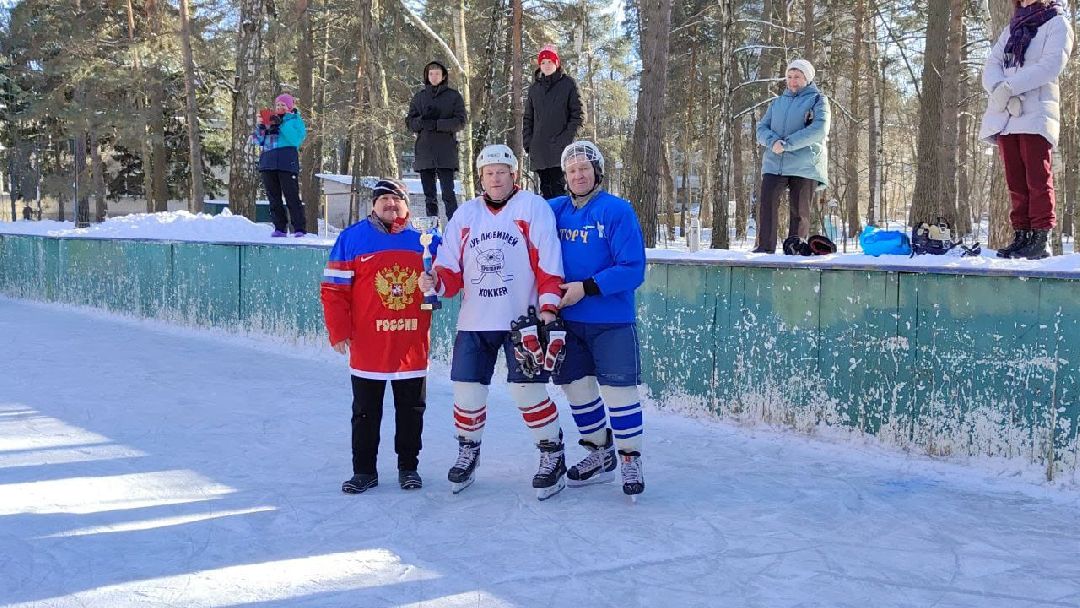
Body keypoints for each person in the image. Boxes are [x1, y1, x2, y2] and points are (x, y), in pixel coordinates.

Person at [418, 144, 568, 500]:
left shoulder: (532, 207)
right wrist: (434, 282)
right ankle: (468, 450)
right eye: (489, 173)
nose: (495, 178)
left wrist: (549, 309)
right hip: (475, 321)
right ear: (480, 178)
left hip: (522, 322)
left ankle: (552, 454)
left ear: (514, 175)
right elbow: (450, 269)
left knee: (526, 389)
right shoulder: (466, 215)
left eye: (502, 172)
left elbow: (549, 261)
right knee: (467, 390)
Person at [320, 179, 438, 494]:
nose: (390, 204)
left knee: (412, 410)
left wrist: (436, 283)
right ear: (373, 204)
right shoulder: (352, 239)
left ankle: (408, 467)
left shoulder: (426, 242)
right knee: (365, 412)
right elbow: (333, 290)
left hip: (410, 345)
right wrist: (339, 331)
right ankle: (364, 471)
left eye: (396, 199)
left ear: (406, 205)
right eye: (383, 198)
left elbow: (448, 279)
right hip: (368, 346)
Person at [548, 141, 647, 497]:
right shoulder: (555, 210)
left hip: (611, 320)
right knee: (578, 391)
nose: (578, 175)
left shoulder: (616, 211)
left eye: (584, 169)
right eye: (572, 170)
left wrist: (587, 288)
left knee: (619, 393)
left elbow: (633, 269)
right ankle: (599, 453)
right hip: (568, 323)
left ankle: (629, 457)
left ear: (597, 172)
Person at [980, 0, 1073, 260]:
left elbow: (1049, 66)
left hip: (1036, 112)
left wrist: (1010, 88)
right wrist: (1002, 92)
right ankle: (1021, 235)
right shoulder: (1011, 28)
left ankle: (1040, 236)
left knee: (1037, 179)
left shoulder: (1057, 24)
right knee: (1016, 182)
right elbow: (991, 66)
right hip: (1007, 114)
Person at [753, 59, 830, 254]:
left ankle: (794, 249)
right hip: (774, 162)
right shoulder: (778, 102)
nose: (792, 81)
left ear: (807, 78)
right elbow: (761, 128)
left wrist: (788, 144)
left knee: (799, 211)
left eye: (797, 77)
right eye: (789, 77)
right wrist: (773, 142)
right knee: (767, 204)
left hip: (805, 163)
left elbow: (819, 129)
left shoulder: (818, 100)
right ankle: (765, 248)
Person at [407, 60, 467, 221]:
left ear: (443, 76)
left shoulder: (453, 97)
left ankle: (454, 227)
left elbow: (460, 121)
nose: (434, 77)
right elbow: (410, 122)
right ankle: (432, 230)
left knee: (448, 194)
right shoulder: (419, 97)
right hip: (425, 152)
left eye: (437, 74)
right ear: (427, 76)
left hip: (445, 151)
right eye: (431, 74)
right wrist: (421, 122)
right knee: (429, 196)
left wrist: (438, 124)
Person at [524, 44, 584, 199]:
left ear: (557, 63)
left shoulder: (568, 84)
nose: (546, 65)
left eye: (550, 61)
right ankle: (547, 224)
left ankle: (563, 224)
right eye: (543, 62)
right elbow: (528, 118)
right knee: (546, 193)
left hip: (561, 151)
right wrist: (528, 143)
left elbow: (579, 116)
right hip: (540, 151)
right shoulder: (534, 89)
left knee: (562, 194)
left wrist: (566, 140)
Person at [254, 93, 307, 237]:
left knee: (292, 196)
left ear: (290, 107)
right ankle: (279, 227)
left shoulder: (295, 121)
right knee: (273, 198)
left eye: (283, 105)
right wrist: (261, 125)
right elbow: (258, 140)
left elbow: (295, 139)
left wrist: (281, 124)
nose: (280, 108)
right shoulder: (269, 119)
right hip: (268, 162)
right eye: (278, 105)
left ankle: (299, 228)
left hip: (287, 162)